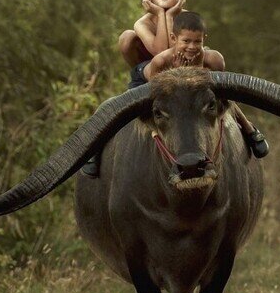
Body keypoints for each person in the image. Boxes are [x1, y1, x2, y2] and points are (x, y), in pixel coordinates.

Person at [81, 12, 269, 177]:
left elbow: (222, 97)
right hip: (158, 92)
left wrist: (193, 71)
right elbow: (157, 94)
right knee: (110, 107)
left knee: (226, 102)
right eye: (186, 41)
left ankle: (250, 130)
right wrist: (178, 73)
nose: (192, 46)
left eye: (197, 42)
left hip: (197, 98)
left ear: (204, 39)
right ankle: (94, 152)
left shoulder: (214, 59)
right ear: (175, 38)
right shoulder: (161, 59)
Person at [118, 0, 187, 72]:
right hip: (152, 66)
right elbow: (161, 52)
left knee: (213, 56)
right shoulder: (142, 23)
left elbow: (176, 54)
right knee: (127, 36)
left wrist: (169, 16)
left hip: (184, 62)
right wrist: (160, 14)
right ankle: (139, 75)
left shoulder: (187, 18)